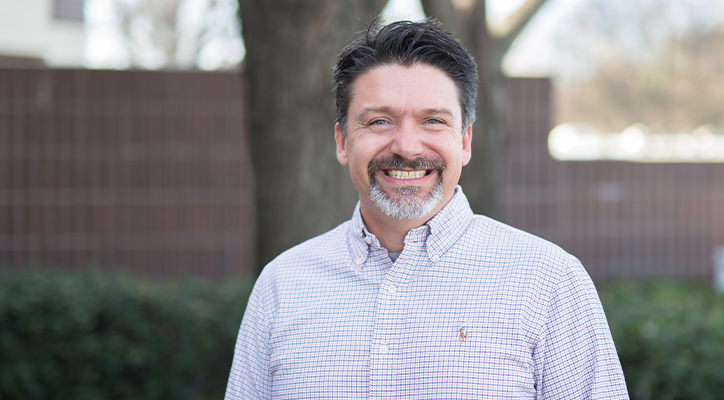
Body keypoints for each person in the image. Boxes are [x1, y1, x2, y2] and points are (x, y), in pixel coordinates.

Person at [225, 19, 628, 399]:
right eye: (380, 121)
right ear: (342, 142)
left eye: (433, 121)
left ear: (465, 141)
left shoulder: (549, 283)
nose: (407, 146)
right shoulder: (282, 286)